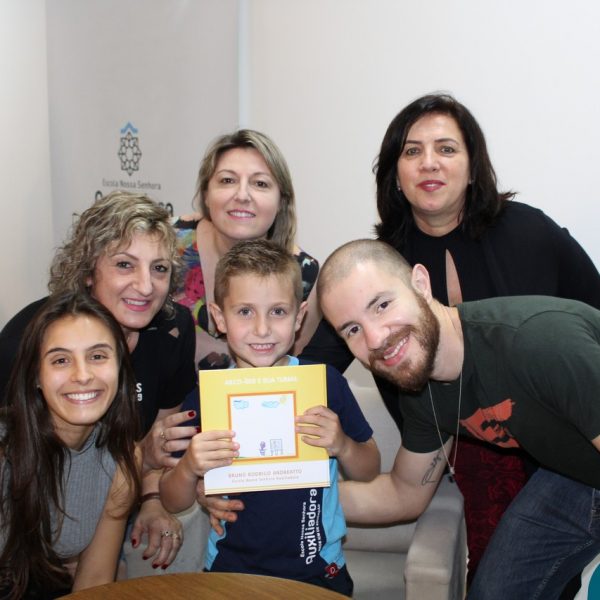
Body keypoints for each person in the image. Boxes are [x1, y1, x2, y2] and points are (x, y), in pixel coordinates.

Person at [302, 93, 600, 578]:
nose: (429, 163)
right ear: (395, 173)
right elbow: (315, 370)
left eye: (446, 148)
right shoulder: (376, 272)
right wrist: (270, 476)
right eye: (412, 151)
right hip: (463, 442)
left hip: (572, 420)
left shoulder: (530, 245)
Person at [318, 238, 600, 600]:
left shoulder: (537, 342)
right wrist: (301, 495)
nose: (375, 339)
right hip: (576, 475)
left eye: (382, 305)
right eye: (352, 330)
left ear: (421, 283)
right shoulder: (419, 386)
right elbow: (405, 493)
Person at [160, 240, 380, 597]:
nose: (262, 329)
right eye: (245, 312)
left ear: (299, 316)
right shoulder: (205, 395)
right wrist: (188, 467)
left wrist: (342, 445)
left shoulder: (325, 384)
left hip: (318, 568)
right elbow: (172, 500)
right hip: (228, 569)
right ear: (219, 318)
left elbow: (369, 469)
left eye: (277, 311)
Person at [0, 191, 197, 569]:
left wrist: (151, 497)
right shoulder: (27, 341)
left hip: (115, 499)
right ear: (89, 271)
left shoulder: (172, 330)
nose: (145, 286)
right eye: (125, 264)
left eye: (159, 268)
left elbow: (159, 442)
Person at [0, 292, 141, 599]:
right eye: (61, 360)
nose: (82, 375)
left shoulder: (122, 458)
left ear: (120, 366)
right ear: (36, 376)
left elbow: (95, 580)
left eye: (98, 356)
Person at [172, 129, 320, 375]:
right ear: (206, 194)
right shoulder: (167, 244)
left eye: (260, 183)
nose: (242, 196)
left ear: (281, 201)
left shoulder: (304, 273)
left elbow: (290, 373)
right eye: (227, 180)